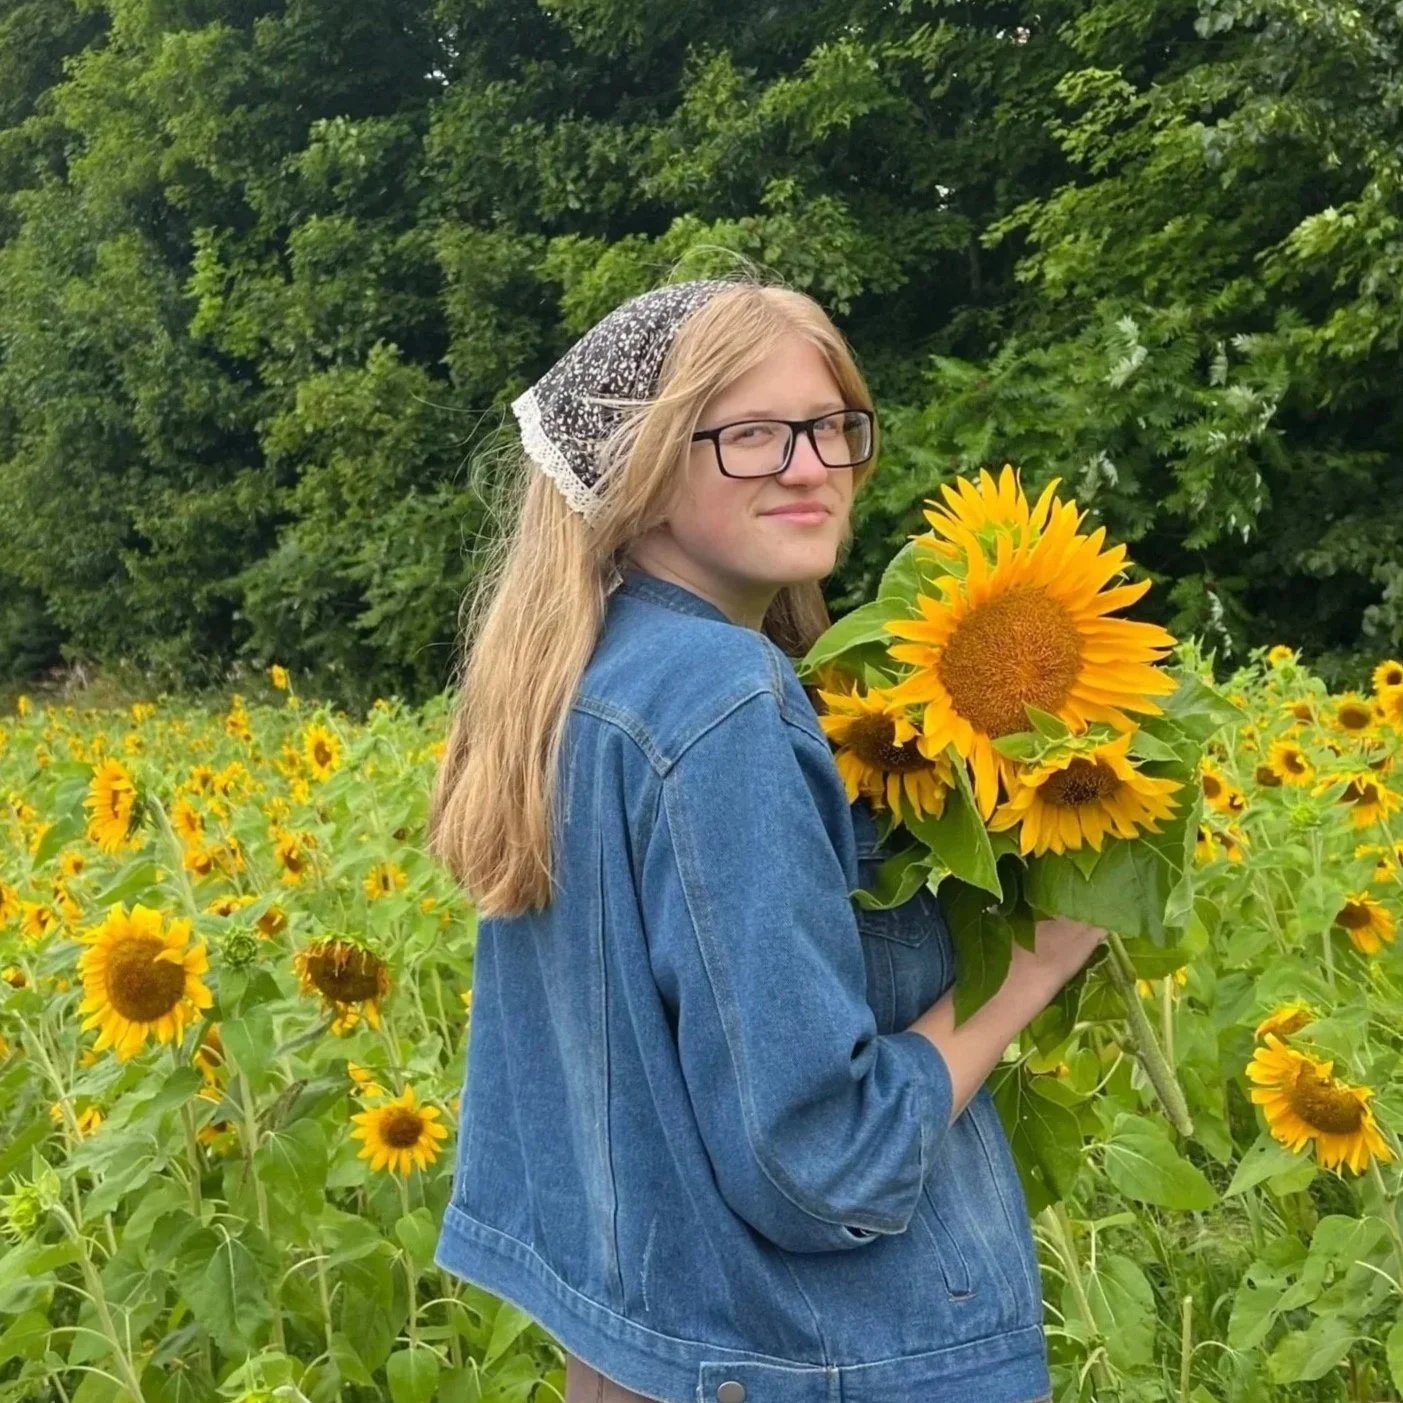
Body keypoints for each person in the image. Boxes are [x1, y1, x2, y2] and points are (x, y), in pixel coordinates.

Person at [428, 269, 1108, 1403]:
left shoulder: (583, 680)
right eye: (748, 435)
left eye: (831, 425)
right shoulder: (721, 701)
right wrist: (1034, 957)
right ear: (640, 467)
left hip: (644, 1349)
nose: (809, 465)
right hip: (813, 1356)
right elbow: (816, 1157)